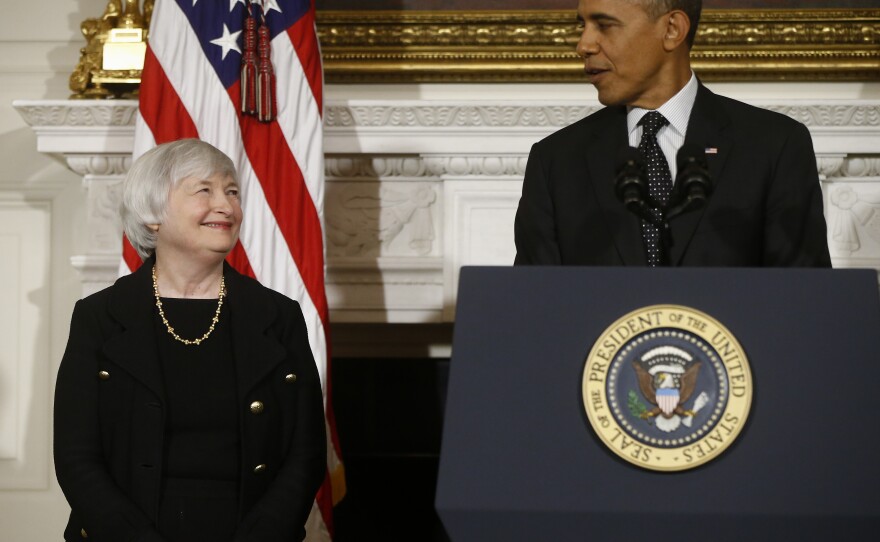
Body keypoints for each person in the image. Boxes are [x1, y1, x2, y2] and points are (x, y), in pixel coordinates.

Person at [54, 139, 326, 541]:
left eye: (232, 192)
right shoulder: (99, 316)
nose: (226, 206)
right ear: (152, 214)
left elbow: (304, 454)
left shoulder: (278, 316)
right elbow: (77, 457)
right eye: (205, 190)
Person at [514, 0, 831, 267]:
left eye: (604, 25)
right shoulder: (556, 161)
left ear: (672, 30)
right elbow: (534, 307)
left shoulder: (774, 146)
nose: (584, 45)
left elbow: (804, 302)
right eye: (582, 26)